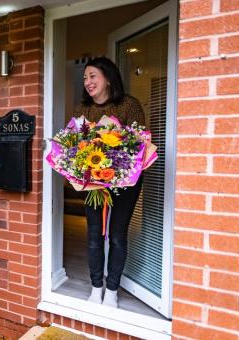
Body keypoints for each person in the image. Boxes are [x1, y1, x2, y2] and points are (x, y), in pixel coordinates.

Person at [73, 57, 146, 308]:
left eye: (92, 76)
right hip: (93, 182)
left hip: (126, 182)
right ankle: (96, 287)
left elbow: (140, 145)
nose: (87, 82)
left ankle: (112, 289)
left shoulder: (129, 105)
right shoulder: (82, 110)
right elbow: (73, 148)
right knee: (94, 234)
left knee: (116, 235)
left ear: (108, 78)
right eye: (85, 78)